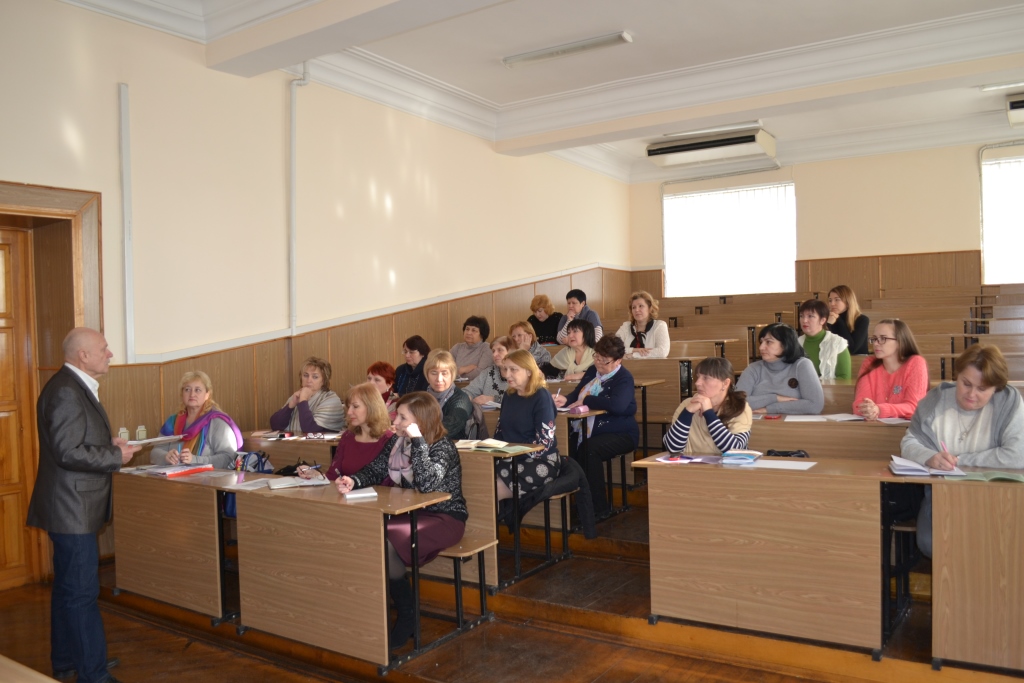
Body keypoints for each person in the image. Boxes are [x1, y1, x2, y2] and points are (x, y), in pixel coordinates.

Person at [27, 328, 139, 683]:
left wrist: (107, 444)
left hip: (70, 506)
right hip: (71, 507)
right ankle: (92, 674)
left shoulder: (70, 385)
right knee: (81, 594)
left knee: (67, 590)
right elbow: (67, 452)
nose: (110, 354)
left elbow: (73, 442)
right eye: (103, 349)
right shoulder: (66, 391)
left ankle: (66, 660)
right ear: (83, 356)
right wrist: (114, 456)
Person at [336, 392, 467, 649]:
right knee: (372, 532)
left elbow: (427, 484)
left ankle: (407, 615)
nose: (395, 421)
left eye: (402, 417)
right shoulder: (397, 442)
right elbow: (375, 469)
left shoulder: (443, 446)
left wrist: (417, 440)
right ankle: (383, 612)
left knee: (386, 541)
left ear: (420, 421)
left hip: (445, 517)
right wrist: (354, 480)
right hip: (411, 513)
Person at [901, 344, 1024, 558]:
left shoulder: (1008, 402)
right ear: (956, 376)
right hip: (943, 494)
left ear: (996, 389)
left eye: (982, 389)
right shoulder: (935, 400)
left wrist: (960, 460)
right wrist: (930, 457)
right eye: (966, 383)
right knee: (931, 542)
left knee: (1000, 543)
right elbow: (909, 442)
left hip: (995, 497)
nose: (971, 394)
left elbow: (1017, 455)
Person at [553, 336, 637, 516]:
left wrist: (588, 400)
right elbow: (577, 393)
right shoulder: (593, 371)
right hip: (589, 429)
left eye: (604, 360)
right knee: (566, 445)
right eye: (596, 357)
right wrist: (565, 400)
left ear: (618, 361)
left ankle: (598, 508)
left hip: (621, 432)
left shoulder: (624, 378)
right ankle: (577, 503)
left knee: (589, 449)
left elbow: (617, 406)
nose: (598, 363)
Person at [494, 350, 560, 502]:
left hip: (541, 460)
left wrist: (513, 453)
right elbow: (500, 432)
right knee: (480, 476)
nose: (507, 375)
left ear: (529, 371)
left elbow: (544, 442)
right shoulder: (509, 395)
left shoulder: (541, 396)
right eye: (505, 369)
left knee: (492, 488)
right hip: (511, 457)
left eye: (513, 369)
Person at [299, 383, 394, 481]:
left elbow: (388, 481)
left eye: (355, 406)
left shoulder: (389, 440)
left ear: (372, 407)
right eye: (349, 407)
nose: (349, 412)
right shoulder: (348, 436)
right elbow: (333, 475)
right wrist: (315, 474)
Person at [151, 371, 243, 468]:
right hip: (174, 475)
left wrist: (195, 460)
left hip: (207, 477)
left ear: (207, 394)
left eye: (197, 390)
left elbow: (228, 457)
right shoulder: (172, 421)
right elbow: (155, 452)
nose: (192, 394)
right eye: (187, 389)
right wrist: (165, 457)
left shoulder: (217, 423)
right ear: (182, 394)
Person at [664, 357, 752, 454]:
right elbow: (672, 448)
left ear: (725, 383)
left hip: (727, 464)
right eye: (698, 377)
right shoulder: (688, 405)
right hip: (693, 463)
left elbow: (735, 450)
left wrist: (708, 413)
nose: (697, 383)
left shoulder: (739, 407)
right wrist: (688, 412)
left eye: (706, 378)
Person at [736, 323, 824, 415]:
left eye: (768, 342)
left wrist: (769, 409)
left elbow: (815, 405)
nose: (761, 347)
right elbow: (736, 403)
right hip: (759, 423)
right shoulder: (753, 369)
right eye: (761, 342)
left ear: (785, 344)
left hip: (794, 423)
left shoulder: (802, 365)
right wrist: (775, 398)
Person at [853, 319, 929, 420]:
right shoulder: (869, 363)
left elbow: (914, 407)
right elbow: (859, 404)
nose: (876, 343)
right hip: (873, 426)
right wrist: (868, 410)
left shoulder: (916, 362)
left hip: (906, 428)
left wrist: (880, 410)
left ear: (900, 341)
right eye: (874, 339)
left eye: (883, 338)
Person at [269, 356, 345, 433]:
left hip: (317, 441)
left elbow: (310, 430)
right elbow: (275, 426)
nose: (309, 380)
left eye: (315, 377)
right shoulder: (296, 396)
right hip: (292, 440)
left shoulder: (331, 399)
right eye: (305, 375)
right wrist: (290, 405)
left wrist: (303, 401)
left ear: (323, 380)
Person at [424, 349, 474, 440]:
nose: (439, 379)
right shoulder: (422, 397)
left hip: (453, 445)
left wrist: (418, 433)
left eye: (444, 373)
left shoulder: (461, 399)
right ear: (427, 375)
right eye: (434, 373)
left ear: (452, 375)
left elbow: (449, 427)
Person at [797, 299, 851, 380]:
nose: (804, 320)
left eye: (810, 316)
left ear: (822, 320)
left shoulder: (838, 343)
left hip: (829, 388)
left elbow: (844, 378)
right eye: (801, 316)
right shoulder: (796, 343)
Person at [615, 290, 670, 358]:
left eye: (640, 306)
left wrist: (633, 355)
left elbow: (662, 352)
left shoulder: (660, 325)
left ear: (650, 308)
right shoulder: (626, 326)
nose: (636, 310)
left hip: (651, 364)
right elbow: (612, 348)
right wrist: (633, 350)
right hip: (626, 364)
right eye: (633, 307)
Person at [464, 336, 514, 406]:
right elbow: (469, 391)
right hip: (487, 413)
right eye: (493, 351)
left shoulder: (520, 373)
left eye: (500, 350)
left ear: (511, 351)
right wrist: (466, 397)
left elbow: (521, 399)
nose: (494, 354)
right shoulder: (488, 372)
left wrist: (494, 399)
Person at [827, 285, 870, 355]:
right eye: (830, 300)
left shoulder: (862, 320)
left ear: (848, 302)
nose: (832, 304)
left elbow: (851, 349)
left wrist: (839, 320)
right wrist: (828, 324)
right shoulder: (828, 320)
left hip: (857, 359)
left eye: (837, 300)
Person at [450, 315, 492, 380]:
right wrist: (463, 369)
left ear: (482, 334)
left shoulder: (487, 348)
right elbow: (446, 370)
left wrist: (456, 373)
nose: (469, 333)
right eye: (467, 329)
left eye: (474, 330)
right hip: (454, 385)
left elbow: (481, 373)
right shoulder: (457, 348)